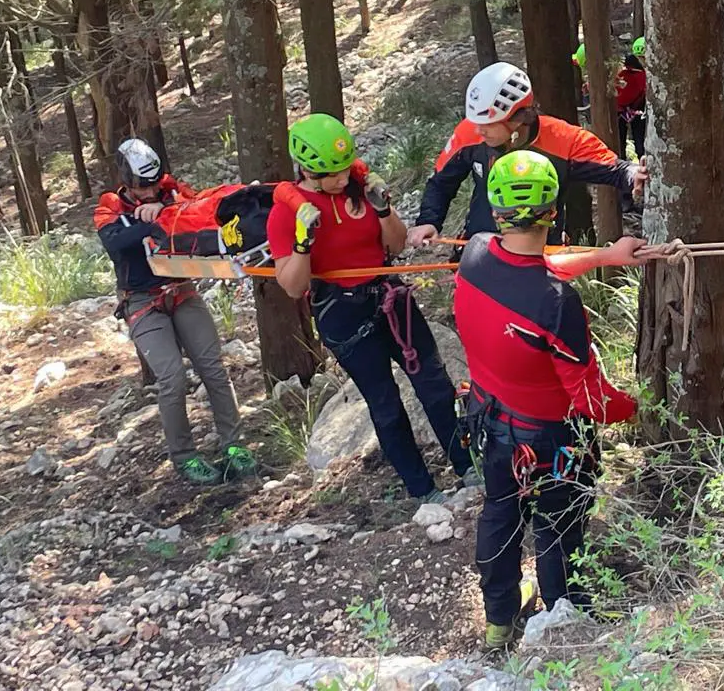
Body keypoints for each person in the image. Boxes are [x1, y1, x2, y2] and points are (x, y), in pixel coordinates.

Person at [453, 150, 650, 648]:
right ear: (554, 211)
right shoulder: (556, 303)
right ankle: (565, 619)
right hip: (550, 438)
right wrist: (637, 409)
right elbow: (590, 400)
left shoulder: (475, 252)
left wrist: (605, 256)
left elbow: (531, 267)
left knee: (500, 513)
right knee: (559, 525)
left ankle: (499, 621)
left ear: (495, 211)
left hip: (490, 422)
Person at [269, 113, 475, 502]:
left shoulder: (360, 189)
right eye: (332, 174)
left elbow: (395, 245)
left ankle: (467, 466)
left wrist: (383, 210)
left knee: (434, 383)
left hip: (389, 296)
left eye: (345, 169)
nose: (341, 179)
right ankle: (423, 490)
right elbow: (293, 286)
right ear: (307, 171)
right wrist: (302, 243)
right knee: (385, 403)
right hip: (343, 312)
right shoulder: (286, 212)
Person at [95, 139, 252, 486]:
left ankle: (234, 445)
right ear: (127, 182)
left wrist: (163, 211)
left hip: (180, 289)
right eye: (143, 187)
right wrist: (150, 223)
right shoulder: (110, 206)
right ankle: (184, 457)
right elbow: (116, 244)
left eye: (154, 184)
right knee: (171, 377)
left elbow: (199, 210)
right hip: (142, 301)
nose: (150, 191)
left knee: (213, 367)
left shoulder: (171, 192)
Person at [407, 62, 647, 249]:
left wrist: (634, 173)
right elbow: (441, 182)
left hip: (542, 257)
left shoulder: (562, 138)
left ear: (518, 118)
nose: (479, 130)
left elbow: (615, 169)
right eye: (476, 122)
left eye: (488, 124)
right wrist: (429, 220)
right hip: (480, 250)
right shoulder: (469, 132)